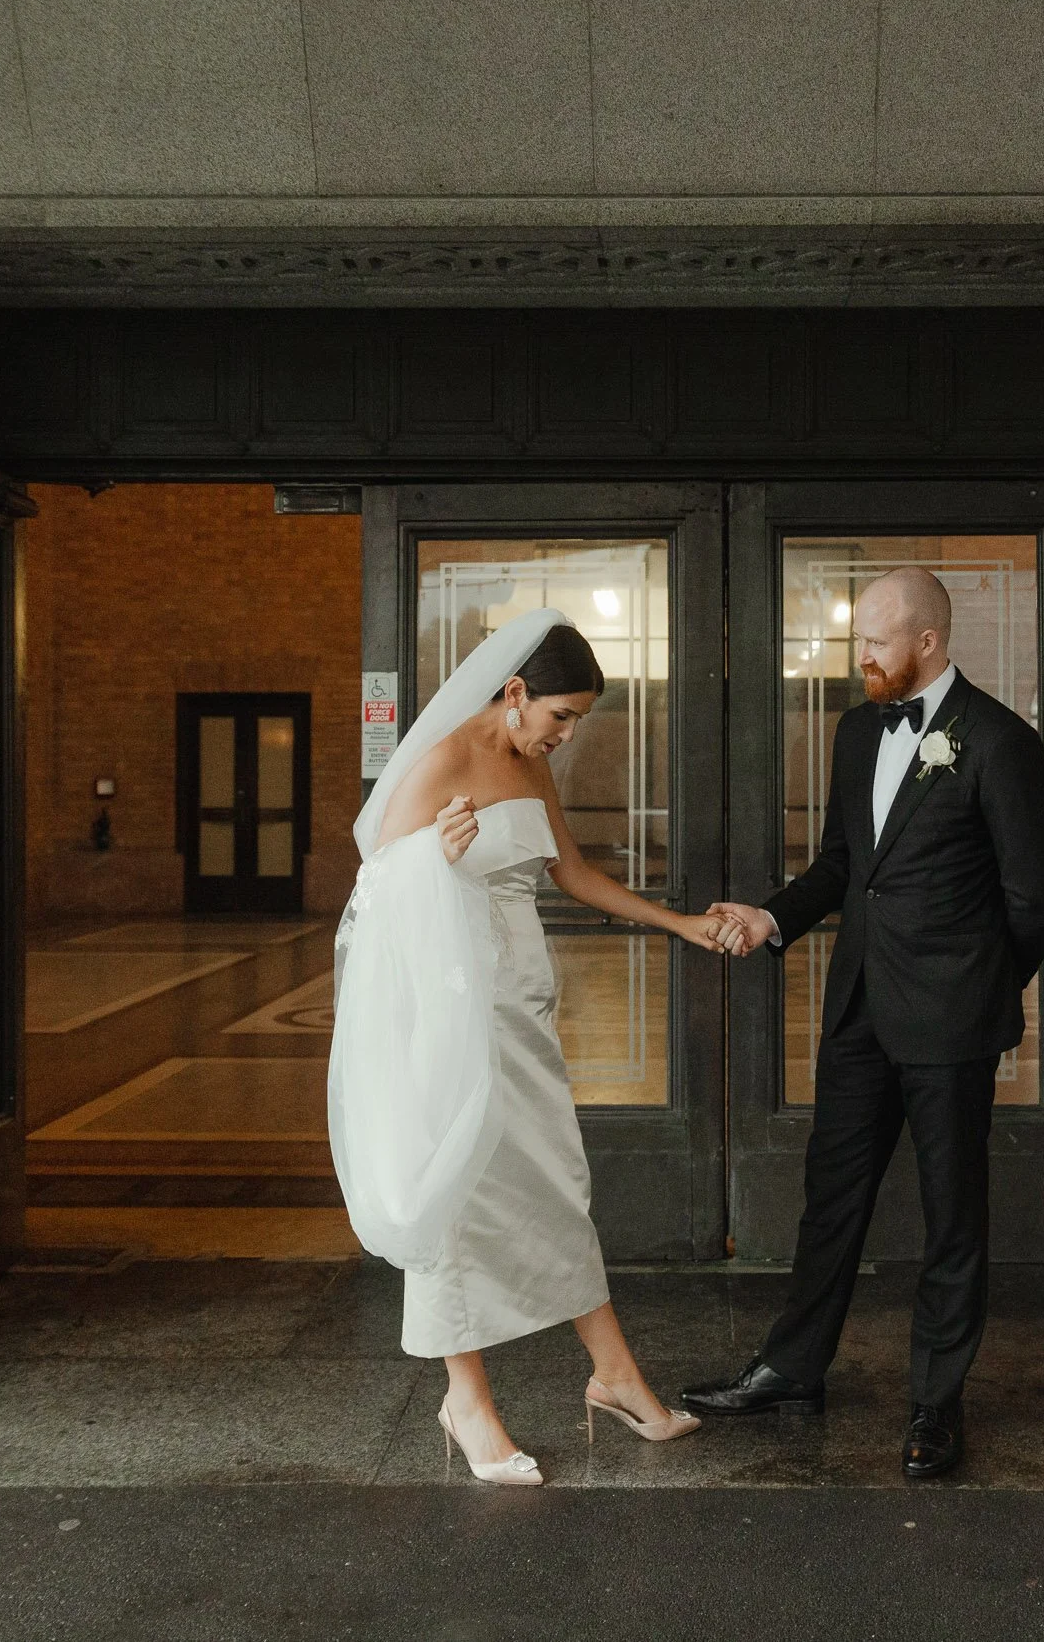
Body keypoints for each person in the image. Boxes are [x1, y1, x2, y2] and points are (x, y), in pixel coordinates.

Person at [329, 611, 744, 1486]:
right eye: (560, 716)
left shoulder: (528, 765)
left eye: (577, 721)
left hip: (523, 1006)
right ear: (513, 693)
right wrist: (430, 861)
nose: (565, 735)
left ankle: (614, 1374)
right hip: (453, 1008)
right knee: (455, 1185)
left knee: (557, 1179)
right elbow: (371, 894)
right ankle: (467, 1399)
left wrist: (683, 925)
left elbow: (573, 871)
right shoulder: (441, 759)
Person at [681, 568, 1044, 1480]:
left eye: (874, 642)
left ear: (927, 642)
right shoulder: (859, 731)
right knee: (832, 1198)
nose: (859, 656)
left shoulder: (1001, 742)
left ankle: (937, 1398)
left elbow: (1039, 899)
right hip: (859, 1010)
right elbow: (842, 865)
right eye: (859, 638)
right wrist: (772, 916)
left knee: (951, 1215)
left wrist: (977, 987)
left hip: (951, 1024)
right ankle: (793, 1367)